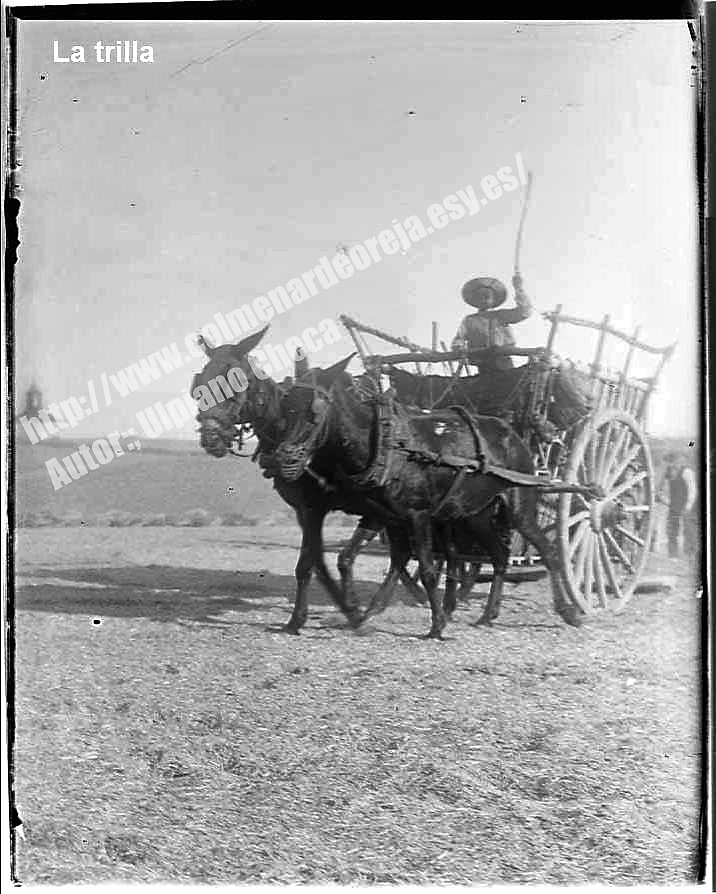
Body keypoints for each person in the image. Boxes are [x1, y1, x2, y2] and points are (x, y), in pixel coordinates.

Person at [451, 272, 532, 372]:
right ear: (475, 300)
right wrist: (459, 348)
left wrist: (519, 288)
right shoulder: (469, 320)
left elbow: (524, 312)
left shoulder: (502, 316)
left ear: (493, 299)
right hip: (482, 364)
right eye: (480, 296)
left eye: (487, 296)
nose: (484, 298)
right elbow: (459, 339)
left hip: (504, 361)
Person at [657, 451, 697, 558]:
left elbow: (692, 490)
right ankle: (673, 555)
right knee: (671, 530)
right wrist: (664, 500)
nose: (670, 465)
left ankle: (689, 554)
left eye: (671, 462)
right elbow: (660, 487)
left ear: (676, 461)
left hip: (687, 505)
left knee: (688, 530)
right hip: (674, 505)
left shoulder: (687, 472)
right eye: (668, 463)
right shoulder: (668, 471)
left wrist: (688, 506)